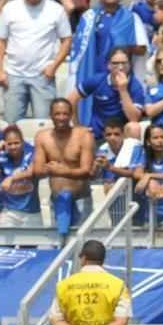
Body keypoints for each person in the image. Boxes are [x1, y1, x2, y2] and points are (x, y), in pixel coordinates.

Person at [0, 0, 72, 123]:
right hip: (13, 75)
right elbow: (0, 41)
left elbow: (67, 40)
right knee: (11, 124)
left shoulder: (56, 10)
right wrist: (0, 71)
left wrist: (54, 66)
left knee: (44, 124)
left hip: (43, 75)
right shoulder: (10, 9)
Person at [68, 0, 148, 125]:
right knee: (94, 117)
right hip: (95, 76)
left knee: (126, 121)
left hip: (121, 76)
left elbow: (142, 49)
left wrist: (124, 42)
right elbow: (79, 50)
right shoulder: (90, 17)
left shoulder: (131, 17)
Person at [33, 98, 94, 236]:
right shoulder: (42, 137)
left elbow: (87, 170)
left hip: (81, 199)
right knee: (59, 246)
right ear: (51, 115)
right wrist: (52, 170)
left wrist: (62, 171)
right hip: (56, 200)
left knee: (82, 244)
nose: (61, 118)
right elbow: (38, 170)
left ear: (71, 115)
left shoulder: (84, 135)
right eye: (57, 114)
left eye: (65, 114)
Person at [69, 45, 144, 139]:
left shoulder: (135, 86)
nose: (120, 67)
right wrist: (77, 126)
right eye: (115, 63)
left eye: (124, 63)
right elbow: (71, 99)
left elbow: (134, 119)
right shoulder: (97, 80)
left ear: (129, 65)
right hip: (96, 133)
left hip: (122, 136)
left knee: (134, 127)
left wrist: (123, 90)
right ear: (108, 65)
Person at [0, 124, 40, 226]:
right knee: (3, 240)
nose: (13, 147)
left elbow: (32, 171)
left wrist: (11, 178)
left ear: (22, 142)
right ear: (4, 144)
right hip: (9, 212)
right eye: (9, 144)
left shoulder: (32, 153)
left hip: (32, 212)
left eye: (16, 143)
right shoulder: (1, 157)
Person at [131, 123, 163, 229]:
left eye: (162, 137)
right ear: (148, 142)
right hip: (148, 216)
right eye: (155, 138)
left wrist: (149, 175)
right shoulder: (143, 156)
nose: (160, 141)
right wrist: (149, 180)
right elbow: (136, 173)